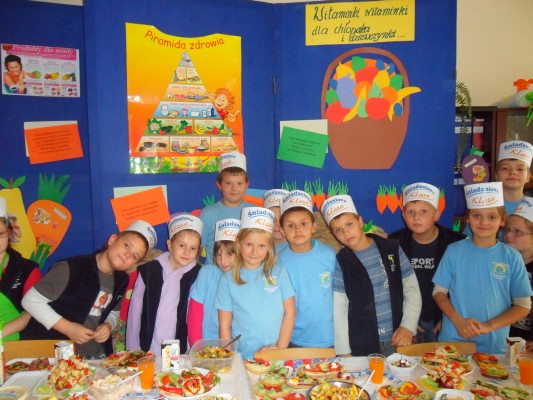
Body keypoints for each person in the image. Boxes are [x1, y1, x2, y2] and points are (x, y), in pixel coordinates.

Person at [21, 220, 157, 358]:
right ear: (112, 240)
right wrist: (67, 327)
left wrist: (108, 325)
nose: (128, 254)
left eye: (134, 256)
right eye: (126, 245)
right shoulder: (71, 268)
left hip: (94, 355)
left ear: (133, 264)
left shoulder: (122, 280)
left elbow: (114, 311)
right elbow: (30, 301)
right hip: (55, 354)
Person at [433, 182, 533, 354]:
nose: (484, 222)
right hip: (453, 338)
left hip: (493, 344)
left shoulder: (512, 257)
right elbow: (439, 292)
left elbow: (523, 305)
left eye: (492, 217)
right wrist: (458, 320)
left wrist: (488, 326)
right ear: (468, 218)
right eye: (477, 215)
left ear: (502, 220)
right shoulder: (454, 251)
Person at [321, 195, 421, 356]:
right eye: (338, 230)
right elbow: (339, 309)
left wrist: (408, 326)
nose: (346, 233)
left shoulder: (391, 248)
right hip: (362, 344)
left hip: (398, 339)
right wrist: (343, 350)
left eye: (349, 224)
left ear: (360, 221)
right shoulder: (342, 262)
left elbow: (412, 289)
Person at [215, 207, 295, 360]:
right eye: (249, 245)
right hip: (242, 356)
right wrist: (228, 357)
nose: (254, 252)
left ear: (269, 246)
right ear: (239, 243)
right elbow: (224, 325)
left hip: (276, 354)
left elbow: (290, 312)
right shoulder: (227, 279)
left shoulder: (279, 272)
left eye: (261, 246)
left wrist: (279, 349)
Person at [389, 182, 465, 343]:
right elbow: (391, 285)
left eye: (424, 212)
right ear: (403, 215)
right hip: (407, 319)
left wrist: (448, 316)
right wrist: (407, 320)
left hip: (446, 318)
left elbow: (464, 286)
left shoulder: (456, 243)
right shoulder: (393, 243)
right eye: (410, 212)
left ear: (436, 214)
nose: (416, 218)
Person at [126, 214, 202, 355]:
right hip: (148, 346)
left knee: (171, 370)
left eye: (193, 248)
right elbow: (135, 312)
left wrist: (194, 351)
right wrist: (133, 349)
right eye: (181, 245)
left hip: (179, 347)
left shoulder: (198, 275)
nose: (187, 252)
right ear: (170, 245)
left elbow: (196, 317)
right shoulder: (149, 271)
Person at [277, 190, 336, 348]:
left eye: (303, 224)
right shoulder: (278, 262)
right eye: (290, 225)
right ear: (282, 231)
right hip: (294, 339)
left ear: (314, 227)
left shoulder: (329, 255)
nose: (298, 230)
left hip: (330, 338)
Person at [188, 218, 240, 345]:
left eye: (229, 254)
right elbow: (194, 313)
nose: (223, 261)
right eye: (219, 254)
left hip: (236, 346)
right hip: (206, 344)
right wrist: (197, 346)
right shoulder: (207, 273)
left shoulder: (246, 277)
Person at [200, 151, 253, 265]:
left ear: (247, 185)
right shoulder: (207, 214)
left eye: (239, 183)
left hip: (245, 272)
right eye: (228, 183)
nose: (234, 188)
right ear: (219, 185)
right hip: (216, 272)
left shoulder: (253, 212)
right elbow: (196, 247)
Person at [0, 197, 41, 341]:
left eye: (0, 234)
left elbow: (36, 309)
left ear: (9, 233)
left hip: (17, 344)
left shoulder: (27, 269)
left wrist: (2, 332)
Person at [503, 197, 533, 348]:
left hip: (526, 342)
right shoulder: (498, 262)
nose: (508, 235)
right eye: (507, 229)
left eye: (517, 232)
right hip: (497, 338)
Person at [495, 140, 533, 216]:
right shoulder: (486, 205)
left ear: (528, 177)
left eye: (520, 169)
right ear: (496, 175)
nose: (513, 172)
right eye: (505, 168)